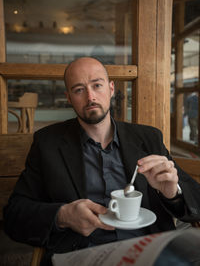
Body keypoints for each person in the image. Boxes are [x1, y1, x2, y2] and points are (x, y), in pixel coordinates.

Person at [3, 57, 200, 266]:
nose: (90, 97)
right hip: (81, 254)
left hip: (150, 252)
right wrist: (63, 215)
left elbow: (195, 201)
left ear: (111, 88)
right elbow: (14, 215)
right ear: (68, 97)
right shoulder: (47, 143)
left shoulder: (148, 138)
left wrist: (172, 193)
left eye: (97, 85)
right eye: (79, 90)